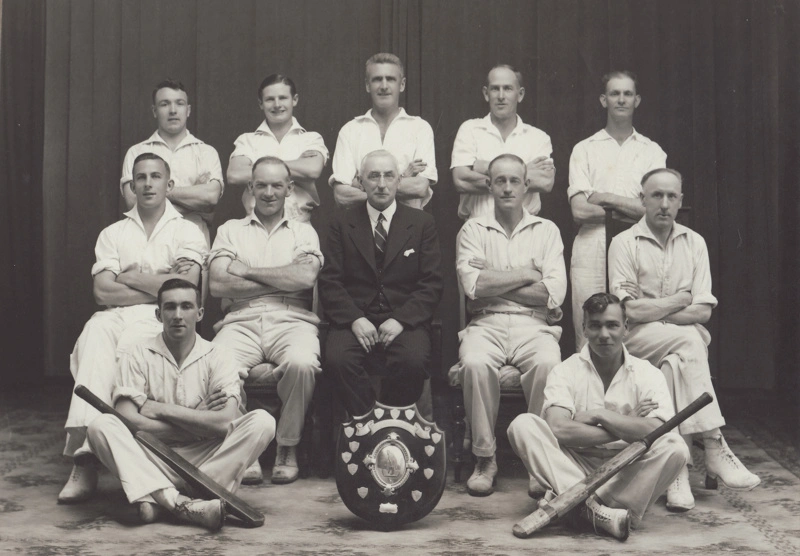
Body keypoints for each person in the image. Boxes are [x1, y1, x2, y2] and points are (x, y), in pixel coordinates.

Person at [608, 168, 759, 512]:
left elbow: (703, 311)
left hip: (673, 339)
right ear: (642, 200)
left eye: (671, 196)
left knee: (674, 363)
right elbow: (628, 311)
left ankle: (676, 469)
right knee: (689, 341)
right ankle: (714, 443)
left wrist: (654, 308)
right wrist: (680, 300)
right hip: (638, 339)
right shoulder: (624, 243)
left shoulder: (695, 242)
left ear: (680, 201)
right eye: (656, 195)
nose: (664, 204)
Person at [59, 153, 207, 503]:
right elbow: (102, 291)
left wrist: (130, 276)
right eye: (140, 177)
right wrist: (159, 280)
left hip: (159, 316)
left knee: (133, 348)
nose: (148, 183)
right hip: (114, 314)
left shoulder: (188, 230)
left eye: (156, 176)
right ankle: (84, 460)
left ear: (169, 185)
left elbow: (184, 288)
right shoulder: (113, 232)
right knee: (94, 334)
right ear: (131, 186)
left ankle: (125, 454)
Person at [86, 279, 274, 531]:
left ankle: (157, 498)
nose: (177, 315)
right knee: (101, 425)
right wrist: (198, 421)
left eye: (186, 306)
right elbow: (127, 420)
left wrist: (160, 409)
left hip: (208, 458)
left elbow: (225, 422)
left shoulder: (219, 355)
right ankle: (184, 504)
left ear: (199, 313)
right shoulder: (136, 354)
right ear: (158, 313)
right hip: (153, 457)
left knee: (262, 421)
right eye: (170, 307)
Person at [507, 293, 689, 540]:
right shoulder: (565, 371)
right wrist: (626, 422)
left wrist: (600, 415)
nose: (604, 334)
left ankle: (576, 505)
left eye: (612, 325)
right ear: (584, 328)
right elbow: (560, 429)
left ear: (626, 328)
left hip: (627, 470)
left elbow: (657, 429)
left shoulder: (648, 373)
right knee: (523, 425)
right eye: (595, 325)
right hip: (574, 465)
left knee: (675, 446)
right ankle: (602, 514)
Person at [456, 154, 566, 497]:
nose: (506, 187)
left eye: (514, 181)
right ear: (488, 186)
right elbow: (473, 288)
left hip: (533, 326)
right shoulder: (473, 228)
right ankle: (485, 458)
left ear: (526, 185)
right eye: (499, 180)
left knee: (549, 363)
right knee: (473, 362)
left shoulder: (546, 230)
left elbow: (552, 295)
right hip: (485, 324)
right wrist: (527, 274)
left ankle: (537, 461)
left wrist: (493, 278)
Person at [209, 156, 322, 485]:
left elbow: (306, 276)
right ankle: (249, 446)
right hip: (239, 321)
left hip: (293, 319)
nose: (269, 193)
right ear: (250, 188)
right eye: (262, 185)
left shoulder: (304, 232)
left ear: (290, 189)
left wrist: (245, 270)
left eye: (277, 185)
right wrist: (282, 277)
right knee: (218, 364)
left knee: (303, 363)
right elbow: (217, 283)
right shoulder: (230, 230)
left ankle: (287, 445)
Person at [319, 150, 443, 417]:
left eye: (389, 175)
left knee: (413, 361)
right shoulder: (342, 223)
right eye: (373, 176)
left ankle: (390, 422)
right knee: (338, 360)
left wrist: (401, 320)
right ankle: (371, 422)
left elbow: (431, 283)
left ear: (399, 181)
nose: (382, 183)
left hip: (403, 320)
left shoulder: (422, 224)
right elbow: (330, 281)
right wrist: (354, 319)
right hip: (355, 320)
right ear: (360, 182)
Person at [568, 70, 667, 349]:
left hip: (637, 249)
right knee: (589, 332)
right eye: (614, 93)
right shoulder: (584, 149)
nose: (620, 99)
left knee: (634, 330)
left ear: (637, 100)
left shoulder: (652, 152)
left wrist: (605, 197)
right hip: (591, 249)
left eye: (627, 94)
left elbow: (655, 210)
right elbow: (580, 212)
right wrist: (631, 207)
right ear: (603, 100)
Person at [120, 79, 224, 245]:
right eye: (164, 104)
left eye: (179, 103)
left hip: (194, 246)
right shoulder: (136, 152)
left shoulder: (206, 152)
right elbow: (133, 203)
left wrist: (154, 194)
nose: (173, 110)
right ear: (154, 111)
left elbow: (210, 198)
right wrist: (195, 198)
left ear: (188, 110)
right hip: (148, 245)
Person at [329, 53, 437, 210]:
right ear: (367, 85)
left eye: (391, 79)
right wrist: (404, 177)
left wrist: (361, 184)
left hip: (408, 227)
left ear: (402, 84)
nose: (384, 86)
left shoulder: (420, 128)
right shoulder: (350, 130)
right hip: (360, 228)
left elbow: (420, 187)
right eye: (377, 79)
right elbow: (341, 195)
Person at [451, 64, 555, 220]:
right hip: (478, 228)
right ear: (486, 94)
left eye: (507, 88)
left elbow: (545, 182)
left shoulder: (538, 137)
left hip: (525, 230)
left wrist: (482, 167)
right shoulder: (470, 130)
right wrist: (523, 171)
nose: (501, 96)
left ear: (520, 95)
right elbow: (461, 181)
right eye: (495, 89)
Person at [227, 74, 329, 222]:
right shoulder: (247, 140)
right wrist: (296, 166)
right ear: (261, 103)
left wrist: (258, 170)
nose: (276, 104)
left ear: (294, 100)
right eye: (269, 99)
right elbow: (235, 175)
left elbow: (312, 170)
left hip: (299, 226)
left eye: (282, 98)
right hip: (255, 226)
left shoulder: (311, 139)